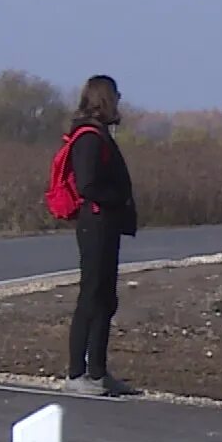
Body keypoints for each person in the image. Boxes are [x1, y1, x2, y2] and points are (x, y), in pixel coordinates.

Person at [64, 75, 139, 398]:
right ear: (105, 98)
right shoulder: (90, 138)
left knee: (106, 298)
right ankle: (76, 372)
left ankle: (98, 370)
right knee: (90, 296)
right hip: (94, 224)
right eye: (117, 95)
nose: (120, 101)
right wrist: (117, 199)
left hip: (106, 225)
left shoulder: (102, 135)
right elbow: (87, 186)